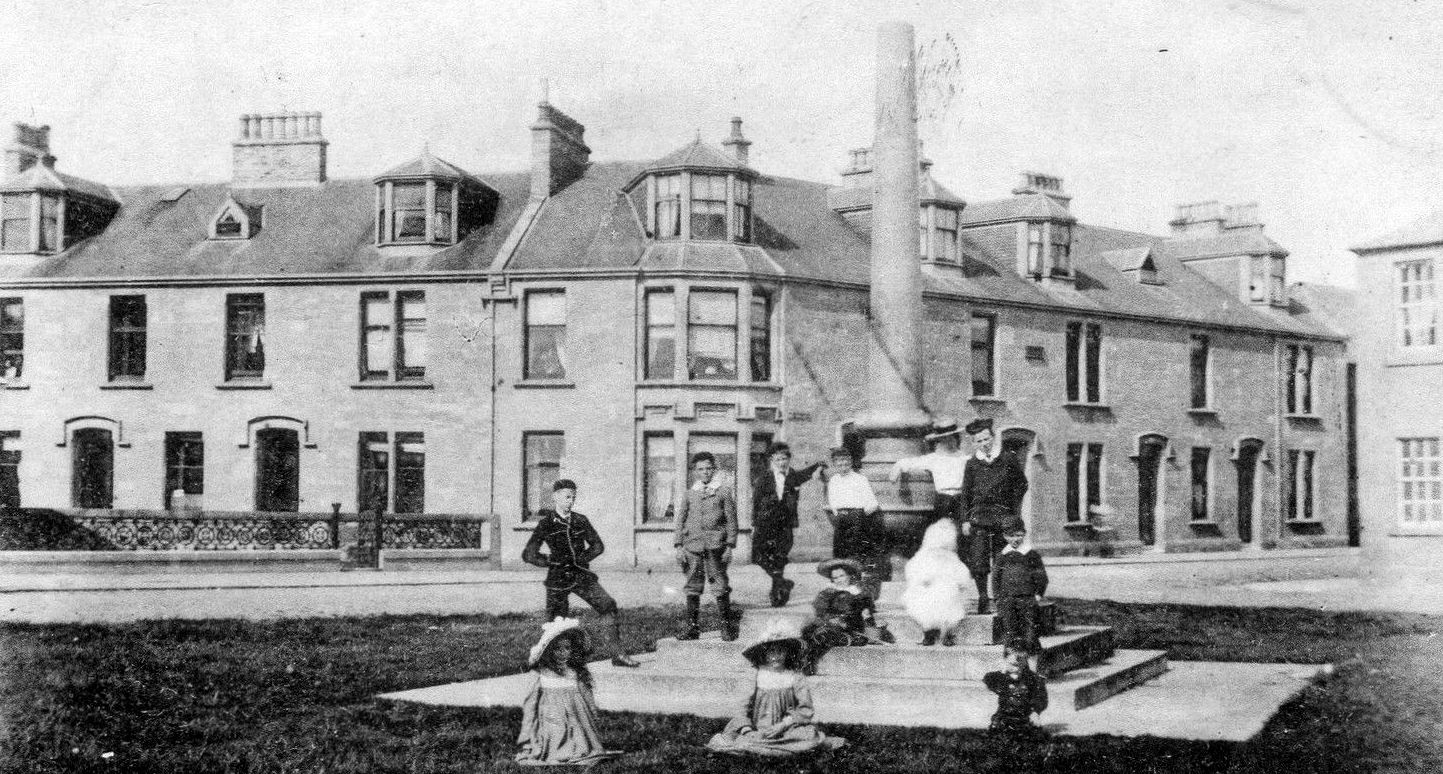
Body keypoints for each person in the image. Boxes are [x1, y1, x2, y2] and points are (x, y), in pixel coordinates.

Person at [521, 479, 640, 667]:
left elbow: (598, 546)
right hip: (557, 579)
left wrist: (581, 559)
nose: (571, 501)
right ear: (555, 497)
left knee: (608, 605)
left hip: (581, 575)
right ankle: (551, 664)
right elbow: (528, 554)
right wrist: (551, 561)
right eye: (567, 497)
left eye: (573, 497)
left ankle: (618, 654)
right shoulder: (546, 524)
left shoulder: (580, 520)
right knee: (556, 624)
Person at [705, 618, 847, 758]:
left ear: (788, 653)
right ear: (764, 654)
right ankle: (755, 742)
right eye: (771, 652)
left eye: (781, 651)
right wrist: (747, 729)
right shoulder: (756, 676)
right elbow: (743, 707)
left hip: (786, 726)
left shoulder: (795, 677)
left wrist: (783, 725)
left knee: (806, 737)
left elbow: (805, 709)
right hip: (757, 725)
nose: (776, 656)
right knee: (745, 739)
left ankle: (770, 745)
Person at [515, 617, 623, 766]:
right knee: (556, 732)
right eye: (558, 649)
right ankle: (558, 751)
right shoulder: (541, 675)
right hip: (551, 721)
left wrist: (593, 714)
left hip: (576, 719)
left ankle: (580, 748)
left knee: (579, 738)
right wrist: (526, 739)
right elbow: (530, 707)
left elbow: (587, 697)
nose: (563, 653)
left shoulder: (574, 673)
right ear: (548, 651)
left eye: (567, 648)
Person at [958, 418, 1029, 614]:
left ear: (993, 436)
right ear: (974, 443)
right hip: (979, 518)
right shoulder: (972, 464)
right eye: (979, 441)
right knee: (979, 560)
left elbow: (1021, 484)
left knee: (1000, 560)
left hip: (1002, 518)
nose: (984, 444)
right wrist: (965, 519)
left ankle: (999, 598)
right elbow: (966, 493)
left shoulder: (1008, 458)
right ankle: (983, 597)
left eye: (987, 438)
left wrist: (1012, 509)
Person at [674, 451, 739, 641]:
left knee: (719, 585)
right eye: (701, 469)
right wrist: (679, 546)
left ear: (714, 469)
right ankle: (692, 629)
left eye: (709, 468)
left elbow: (731, 521)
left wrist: (729, 546)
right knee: (693, 585)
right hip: (692, 545)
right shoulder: (689, 493)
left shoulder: (724, 491)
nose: (705, 473)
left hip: (716, 546)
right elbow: (680, 520)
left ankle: (726, 628)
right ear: (695, 471)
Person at [752, 442, 826, 607]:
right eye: (778, 459)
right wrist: (754, 523)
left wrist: (819, 465)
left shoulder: (793, 476)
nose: (782, 462)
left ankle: (777, 595)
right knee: (758, 556)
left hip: (785, 523)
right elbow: (756, 502)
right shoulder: (764, 478)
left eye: (784, 459)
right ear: (772, 460)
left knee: (779, 558)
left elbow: (807, 472)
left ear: (789, 459)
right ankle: (783, 582)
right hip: (765, 523)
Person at [889, 417, 969, 549]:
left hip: (961, 499)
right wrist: (896, 471)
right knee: (941, 534)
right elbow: (906, 463)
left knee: (961, 536)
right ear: (939, 441)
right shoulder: (933, 459)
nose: (949, 441)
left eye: (951, 437)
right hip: (943, 500)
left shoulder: (965, 458)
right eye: (944, 439)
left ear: (956, 438)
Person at [801, 558, 891, 673]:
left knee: (825, 634)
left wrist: (867, 623)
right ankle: (806, 660)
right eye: (835, 578)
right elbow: (820, 614)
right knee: (810, 630)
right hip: (828, 625)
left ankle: (809, 662)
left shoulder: (859, 595)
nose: (838, 580)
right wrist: (830, 620)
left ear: (849, 575)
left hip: (851, 631)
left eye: (841, 576)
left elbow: (867, 618)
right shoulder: (827, 594)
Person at [822, 446, 888, 600]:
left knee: (857, 555)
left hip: (858, 518)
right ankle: (842, 591)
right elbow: (832, 501)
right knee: (840, 556)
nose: (843, 467)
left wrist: (859, 516)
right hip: (841, 519)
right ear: (835, 464)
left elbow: (872, 502)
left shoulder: (860, 479)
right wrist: (838, 514)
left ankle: (859, 592)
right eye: (839, 464)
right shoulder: (834, 480)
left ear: (850, 463)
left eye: (845, 463)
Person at [993, 516, 1049, 673]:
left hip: (1027, 600)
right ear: (1004, 536)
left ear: (1024, 534)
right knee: (1010, 633)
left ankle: (1033, 671)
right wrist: (998, 598)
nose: (1015, 539)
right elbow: (996, 578)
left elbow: (1041, 577)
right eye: (1010, 535)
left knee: (1030, 634)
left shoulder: (1031, 555)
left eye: (1018, 535)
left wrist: (1038, 595)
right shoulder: (1002, 556)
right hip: (1008, 600)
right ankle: (1008, 669)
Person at [901, 518, 970, 646]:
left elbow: (961, 572)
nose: (940, 551)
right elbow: (912, 570)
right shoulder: (923, 557)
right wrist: (922, 580)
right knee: (924, 603)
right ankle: (928, 632)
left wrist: (960, 582)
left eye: (944, 548)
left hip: (947, 589)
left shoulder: (951, 558)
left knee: (950, 600)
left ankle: (947, 633)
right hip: (928, 589)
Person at [982, 646, 1049, 737]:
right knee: (996, 731)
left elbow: (1041, 697)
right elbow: (988, 679)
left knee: (1033, 734)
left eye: (1020, 664)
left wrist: (1035, 711)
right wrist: (1003, 672)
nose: (1017, 669)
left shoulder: (1032, 679)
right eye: (1012, 664)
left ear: (1026, 662)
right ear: (1006, 661)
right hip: (1005, 714)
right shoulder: (1002, 677)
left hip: (1025, 715)